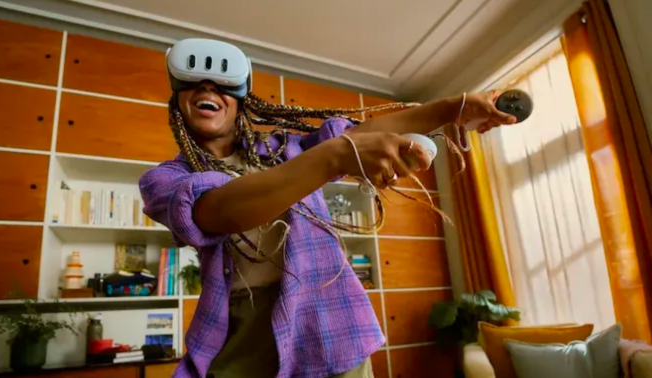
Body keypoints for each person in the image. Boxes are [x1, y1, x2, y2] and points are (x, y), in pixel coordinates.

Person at [139, 38, 516, 378]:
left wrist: (456, 108)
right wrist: (334, 158)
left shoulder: (285, 149)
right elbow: (219, 211)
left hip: (331, 317)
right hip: (240, 332)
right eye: (195, 83)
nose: (208, 89)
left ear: (241, 101)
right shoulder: (165, 181)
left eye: (221, 84)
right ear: (178, 101)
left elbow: (357, 136)